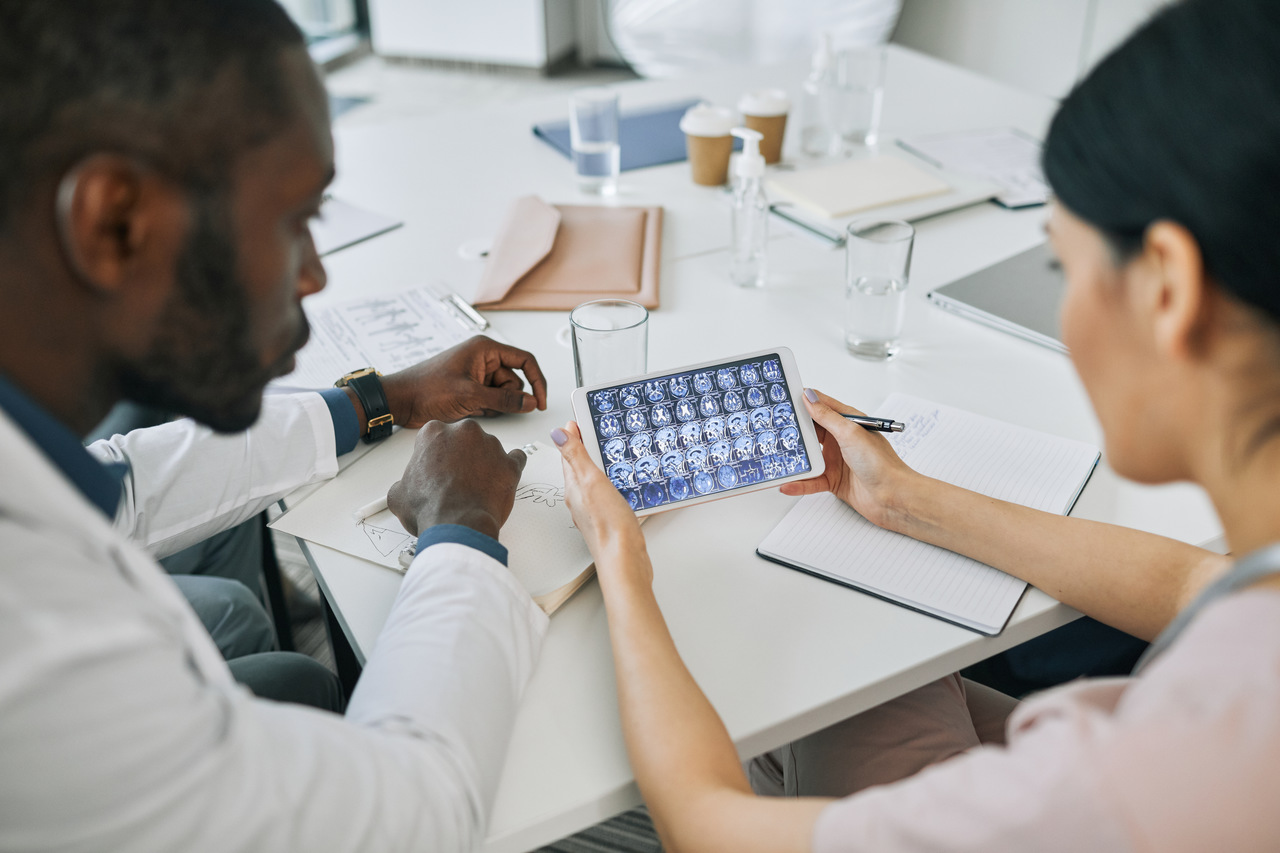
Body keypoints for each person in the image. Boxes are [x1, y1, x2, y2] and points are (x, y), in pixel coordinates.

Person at [550, 0, 1280, 848]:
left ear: (1167, 288)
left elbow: (708, 830)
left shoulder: (1154, 769)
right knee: (850, 695)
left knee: (826, 681)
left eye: (1062, 267)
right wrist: (908, 499)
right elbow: (1199, 584)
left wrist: (620, 565)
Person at [0, 1, 554, 849]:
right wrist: (462, 532)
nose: (314, 274)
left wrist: (386, 398)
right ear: (113, 223)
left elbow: (124, 482)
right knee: (292, 675)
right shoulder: (40, 656)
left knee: (272, 654)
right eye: (298, 221)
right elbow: (423, 815)